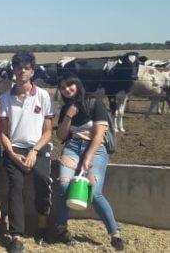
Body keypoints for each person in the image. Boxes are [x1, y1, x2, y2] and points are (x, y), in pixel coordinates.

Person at [53, 75, 124, 251]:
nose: (67, 89)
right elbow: (61, 136)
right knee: (63, 186)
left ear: (77, 85)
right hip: (72, 147)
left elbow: (99, 134)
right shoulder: (65, 109)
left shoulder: (94, 103)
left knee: (94, 191)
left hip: (96, 148)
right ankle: (62, 229)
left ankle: (115, 234)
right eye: (63, 87)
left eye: (70, 85)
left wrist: (87, 158)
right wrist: (68, 116)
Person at [0, 51, 54, 252]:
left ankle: (42, 226)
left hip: (38, 146)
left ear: (32, 71)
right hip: (14, 148)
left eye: (27, 67)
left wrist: (34, 151)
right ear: (13, 70)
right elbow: (2, 133)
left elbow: (48, 132)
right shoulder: (4, 98)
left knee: (42, 179)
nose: (23, 71)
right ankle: (16, 235)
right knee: (15, 186)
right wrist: (12, 154)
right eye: (19, 67)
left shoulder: (43, 96)